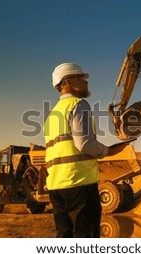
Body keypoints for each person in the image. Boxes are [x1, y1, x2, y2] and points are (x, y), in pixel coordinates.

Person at [43, 62, 109, 238]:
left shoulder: (52, 115)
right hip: (79, 185)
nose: (86, 82)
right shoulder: (78, 105)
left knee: (64, 237)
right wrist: (105, 151)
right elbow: (84, 144)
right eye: (82, 78)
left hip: (57, 187)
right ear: (70, 81)